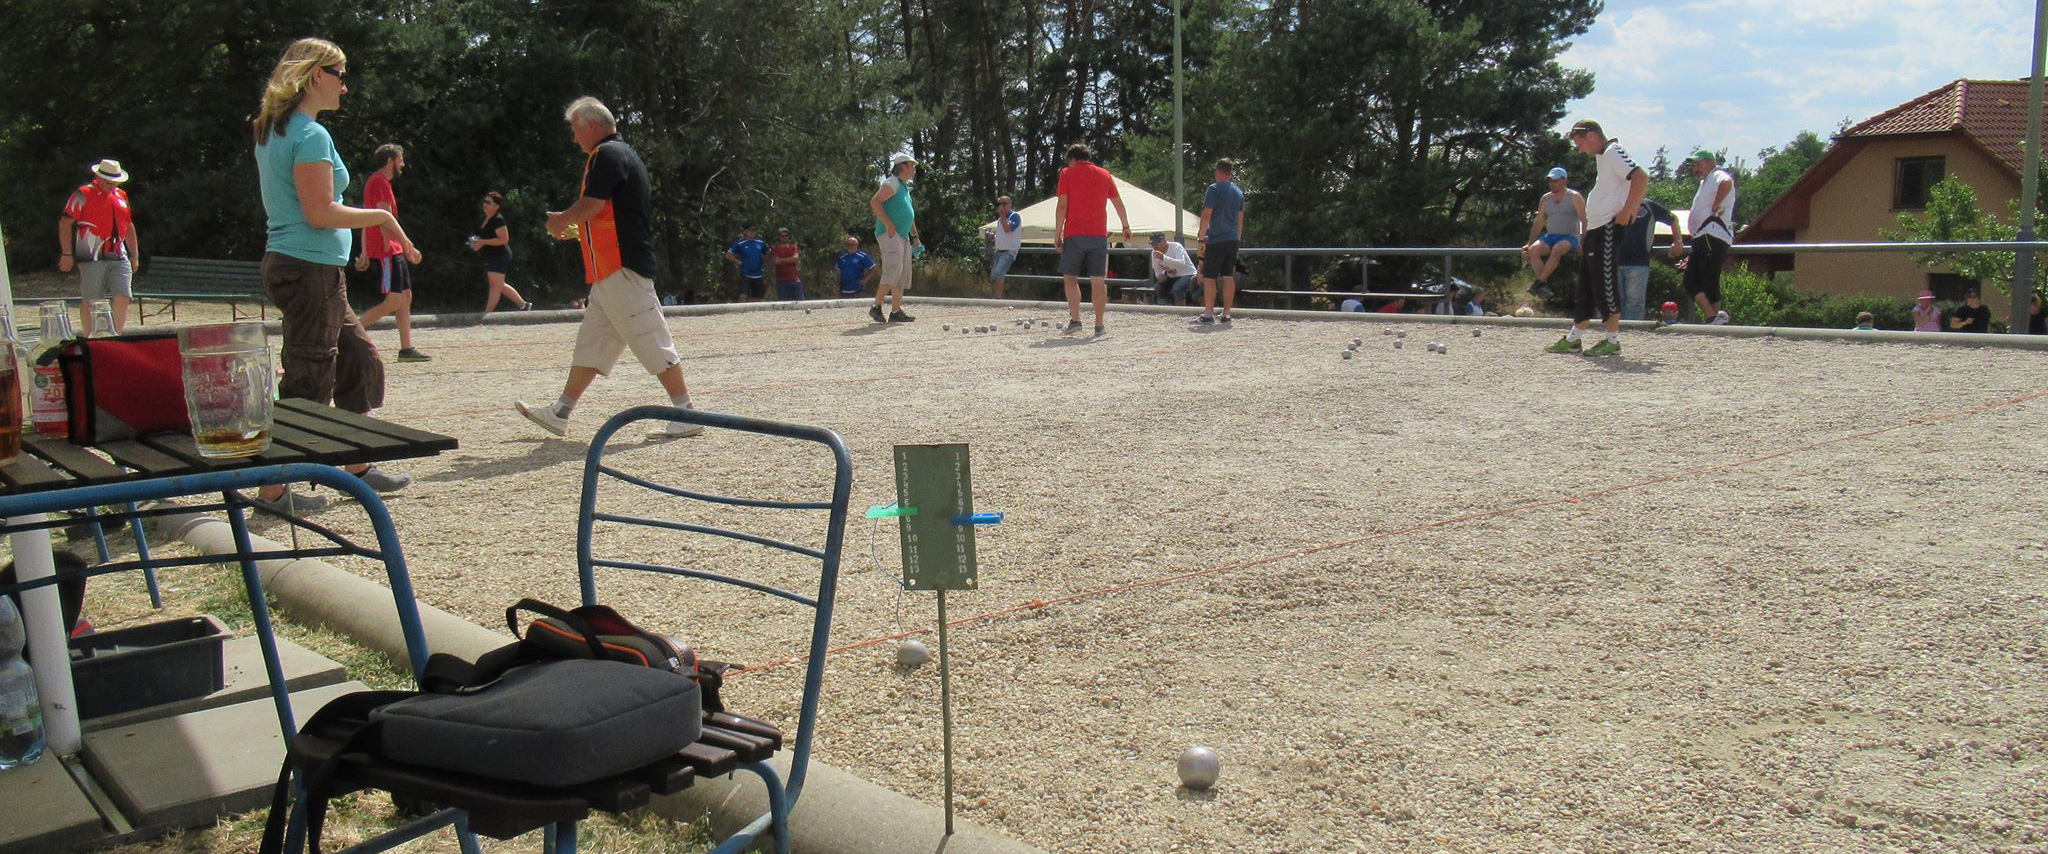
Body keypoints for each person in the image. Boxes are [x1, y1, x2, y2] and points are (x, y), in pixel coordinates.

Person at [249, 37, 415, 513]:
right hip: (308, 270)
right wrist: (381, 218)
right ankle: (273, 492)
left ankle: (355, 466)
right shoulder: (310, 135)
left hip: (311, 269)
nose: (345, 86)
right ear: (315, 75)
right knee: (308, 376)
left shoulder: (275, 129)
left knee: (357, 358)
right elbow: (320, 212)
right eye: (340, 74)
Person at [516, 97, 701, 439]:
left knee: (651, 339)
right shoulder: (618, 154)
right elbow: (610, 214)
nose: (574, 138)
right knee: (592, 345)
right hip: (609, 271)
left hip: (621, 269)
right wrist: (579, 229)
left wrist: (562, 220)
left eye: (575, 130)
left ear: (591, 125)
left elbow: (592, 204)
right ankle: (560, 412)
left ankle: (687, 412)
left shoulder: (607, 154)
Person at [1545, 120, 1645, 357]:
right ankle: (1574, 338)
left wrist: (1629, 210)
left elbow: (1640, 177)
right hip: (1596, 229)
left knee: (1604, 282)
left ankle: (1612, 340)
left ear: (1591, 136)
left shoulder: (1613, 152)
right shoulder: (1604, 157)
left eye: (1580, 144)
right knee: (1587, 285)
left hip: (1608, 228)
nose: (1580, 150)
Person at [353, 144, 429, 361]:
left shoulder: (379, 181)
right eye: (400, 159)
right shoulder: (379, 182)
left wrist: (365, 250)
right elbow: (386, 221)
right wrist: (408, 246)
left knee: (405, 297)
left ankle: (406, 350)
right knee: (394, 300)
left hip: (392, 249)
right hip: (386, 250)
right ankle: (348, 333)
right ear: (390, 161)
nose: (403, 164)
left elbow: (367, 218)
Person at [1054, 143, 1131, 334]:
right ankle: (1099, 325)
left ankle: (1076, 320)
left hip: (1074, 234)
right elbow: (1118, 203)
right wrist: (1125, 226)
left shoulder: (1066, 174)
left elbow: (1062, 206)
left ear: (1072, 159)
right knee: (1098, 280)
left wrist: (1057, 234)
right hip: (1098, 234)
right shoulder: (1105, 174)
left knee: (1070, 278)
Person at [58, 159, 141, 334]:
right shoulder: (82, 193)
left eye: (114, 182)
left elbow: (128, 225)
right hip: (91, 253)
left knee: (123, 295)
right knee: (91, 299)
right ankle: (89, 336)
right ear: (98, 177)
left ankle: (115, 335)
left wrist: (134, 255)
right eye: (107, 181)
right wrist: (67, 253)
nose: (111, 185)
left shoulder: (121, 195)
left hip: (119, 253)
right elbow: (65, 222)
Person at [1680, 149, 1737, 324]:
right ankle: (1713, 316)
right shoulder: (1706, 182)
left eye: (1698, 164)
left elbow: (1727, 183)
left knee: (1708, 278)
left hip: (1713, 233)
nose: (1695, 169)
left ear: (1710, 162)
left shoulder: (1718, 175)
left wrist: (1716, 204)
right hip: (1702, 236)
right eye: (1694, 166)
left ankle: (1713, 317)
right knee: (1690, 281)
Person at [868, 153, 920, 323]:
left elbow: (909, 216)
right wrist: (888, 224)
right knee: (893, 269)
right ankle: (876, 306)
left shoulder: (904, 188)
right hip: (891, 234)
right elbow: (875, 202)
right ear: (903, 166)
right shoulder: (892, 182)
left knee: (901, 274)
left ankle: (896, 311)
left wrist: (915, 237)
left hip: (902, 235)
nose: (915, 168)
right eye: (912, 165)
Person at [1521, 167, 1585, 297]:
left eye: (1555, 181)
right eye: (1550, 181)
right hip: (1551, 235)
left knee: (1557, 249)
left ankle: (1538, 283)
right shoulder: (1546, 198)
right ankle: (1542, 285)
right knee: (1533, 250)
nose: (1552, 184)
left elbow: (1584, 220)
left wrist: (1584, 242)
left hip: (1570, 236)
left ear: (1564, 180)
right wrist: (1529, 243)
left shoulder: (1574, 196)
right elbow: (1539, 221)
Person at [1197, 158, 1246, 324]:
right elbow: (1240, 220)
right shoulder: (1238, 192)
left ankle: (1208, 313)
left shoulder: (1214, 189)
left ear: (1217, 171)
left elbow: (1206, 216)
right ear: (1230, 172)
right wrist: (1237, 239)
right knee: (1227, 276)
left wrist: (1201, 239)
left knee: (1209, 277)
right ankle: (1226, 314)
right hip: (1233, 240)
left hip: (1217, 239)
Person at [1616, 197, 1679, 321]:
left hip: (1639, 262)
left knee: (1635, 302)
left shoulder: (1649, 206)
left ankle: (1632, 330)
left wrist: (1678, 242)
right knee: (1615, 301)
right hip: (1614, 261)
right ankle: (1615, 330)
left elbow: (1672, 219)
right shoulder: (1614, 203)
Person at [471, 191, 529, 312]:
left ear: (496, 206)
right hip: (493, 255)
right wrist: (477, 243)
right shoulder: (487, 218)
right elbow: (487, 238)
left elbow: (503, 240)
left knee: (494, 286)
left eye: (488, 202)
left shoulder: (498, 219)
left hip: (500, 255)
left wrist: (483, 242)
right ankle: (524, 305)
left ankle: (487, 314)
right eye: (485, 201)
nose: (485, 204)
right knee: (500, 285)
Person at [1147, 232, 1197, 306]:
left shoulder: (1176, 246)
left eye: (1156, 243)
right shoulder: (1154, 253)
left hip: (1188, 274)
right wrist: (1160, 276)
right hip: (1172, 276)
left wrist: (1163, 258)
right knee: (1158, 288)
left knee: (1177, 288)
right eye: (1152, 244)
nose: (1154, 246)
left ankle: (1181, 310)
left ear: (1164, 241)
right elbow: (1157, 271)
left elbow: (1181, 263)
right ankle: (1164, 310)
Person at [990, 195, 1022, 299]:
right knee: (994, 275)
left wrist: (1003, 216)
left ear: (1010, 205)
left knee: (999, 272)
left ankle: (998, 298)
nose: (1001, 206)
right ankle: (994, 297)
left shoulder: (1014, 216)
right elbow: (1004, 233)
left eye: (1004, 204)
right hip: (999, 250)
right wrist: (994, 237)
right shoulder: (1000, 219)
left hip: (1009, 250)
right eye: (1000, 204)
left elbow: (1008, 229)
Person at [724, 226, 767, 302]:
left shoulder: (760, 242)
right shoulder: (740, 243)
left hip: (758, 274)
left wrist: (764, 260)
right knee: (743, 296)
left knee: (757, 298)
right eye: (750, 230)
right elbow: (728, 255)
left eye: (754, 230)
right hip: (745, 274)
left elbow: (769, 253)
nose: (752, 232)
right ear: (745, 232)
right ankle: (740, 309)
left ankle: (754, 309)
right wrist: (738, 262)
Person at [769, 227, 803, 301]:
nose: (784, 237)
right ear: (779, 237)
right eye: (782, 236)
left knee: (800, 302)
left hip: (794, 279)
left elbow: (795, 259)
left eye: (786, 235)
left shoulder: (793, 247)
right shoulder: (775, 248)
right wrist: (790, 260)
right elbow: (776, 261)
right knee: (783, 304)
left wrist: (782, 260)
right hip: (782, 281)